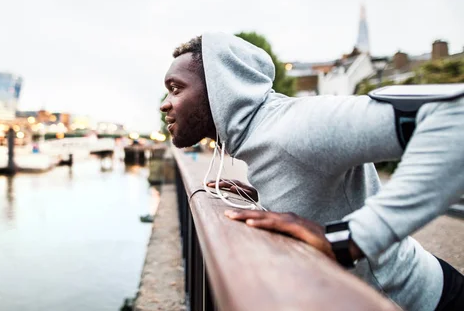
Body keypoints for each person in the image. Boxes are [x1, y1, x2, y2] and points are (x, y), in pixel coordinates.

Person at [160, 33, 464, 311]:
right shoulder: (260, 135)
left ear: (219, 86)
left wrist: (352, 238)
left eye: (175, 88)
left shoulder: (297, 125)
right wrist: (262, 199)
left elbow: (455, 117)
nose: (164, 105)